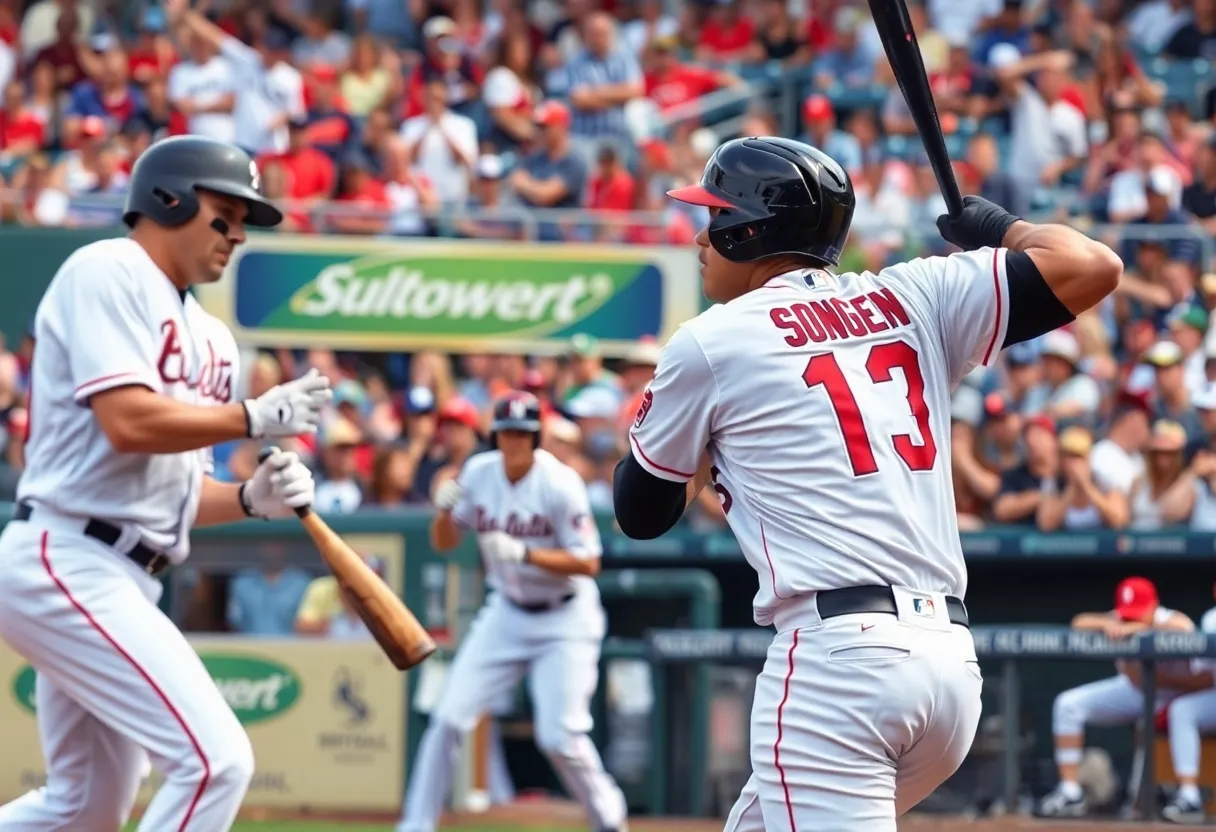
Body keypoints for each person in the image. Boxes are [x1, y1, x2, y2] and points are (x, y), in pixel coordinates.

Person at [612, 135, 1122, 829]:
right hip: (947, 666)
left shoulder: (712, 340)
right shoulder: (914, 294)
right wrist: (1000, 227)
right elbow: (1093, 265)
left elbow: (639, 511)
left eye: (715, 218)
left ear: (750, 231)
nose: (702, 237)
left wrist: (710, 456)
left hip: (839, 666)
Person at [0, 135, 333, 831]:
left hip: (127, 570)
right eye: (226, 214)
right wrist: (251, 417)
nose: (239, 234)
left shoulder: (214, 339)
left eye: (244, 221)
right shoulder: (108, 270)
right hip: (66, 558)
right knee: (215, 763)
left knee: (84, 809)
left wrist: (249, 500)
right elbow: (127, 422)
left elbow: (178, 494)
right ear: (169, 199)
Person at [396, 392, 627, 832]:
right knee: (447, 718)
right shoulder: (479, 473)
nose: (514, 442)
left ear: (535, 437)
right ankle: (415, 824)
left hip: (565, 618)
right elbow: (444, 542)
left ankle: (608, 818)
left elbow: (589, 562)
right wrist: (443, 512)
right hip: (506, 612)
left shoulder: (559, 482)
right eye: (507, 434)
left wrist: (526, 554)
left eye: (522, 434)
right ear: (495, 438)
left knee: (560, 738)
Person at [1036, 578, 1199, 818]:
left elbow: (1184, 627)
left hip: (1173, 694)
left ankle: (1187, 795)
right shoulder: (1118, 617)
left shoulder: (1169, 619)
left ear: (1154, 605)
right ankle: (1070, 792)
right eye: (1128, 613)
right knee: (1067, 705)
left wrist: (1140, 629)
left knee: (1183, 713)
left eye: (1138, 612)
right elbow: (1079, 622)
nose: (1130, 618)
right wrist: (1108, 623)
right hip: (1134, 690)